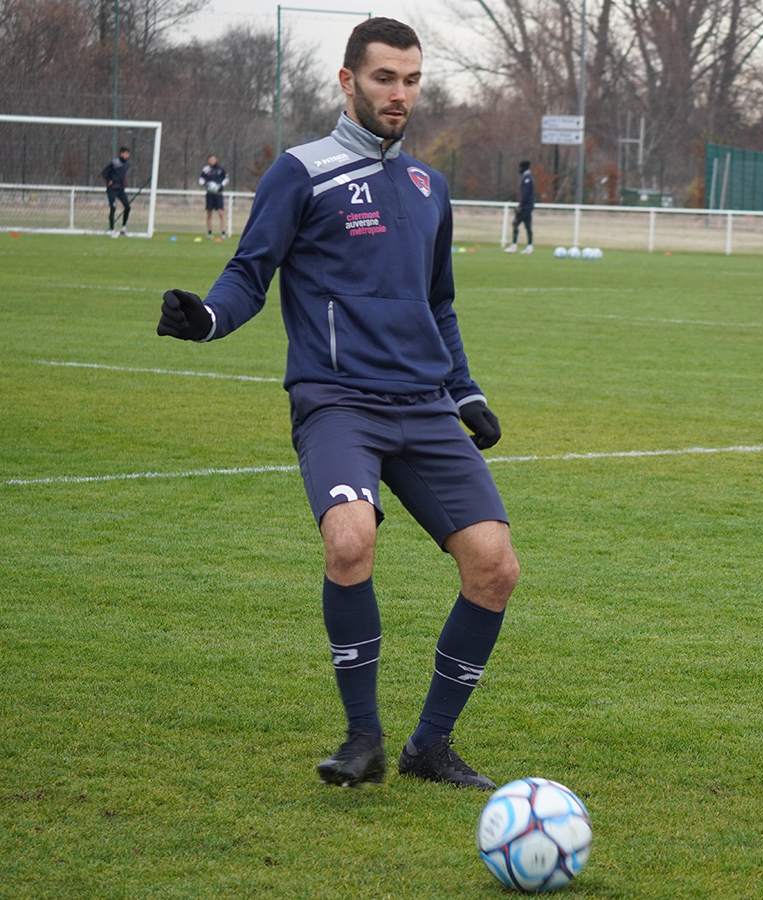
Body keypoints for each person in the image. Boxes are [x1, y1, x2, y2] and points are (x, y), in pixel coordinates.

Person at [155, 17, 518, 791]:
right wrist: (209, 319)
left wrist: (467, 391)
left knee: (495, 568)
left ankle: (429, 746)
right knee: (350, 540)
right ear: (348, 81)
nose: (401, 94)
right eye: (386, 78)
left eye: (413, 80)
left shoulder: (429, 187)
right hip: (338, 401)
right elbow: (250, 273)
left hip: (424, 404)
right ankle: (363, 739)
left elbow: (439, 304)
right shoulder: (301, 171)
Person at [504, 160, 535, 254]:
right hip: (528, 206)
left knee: (515, 223)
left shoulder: (527, 178)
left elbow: (525, 194)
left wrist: (520, 205)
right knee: (528, 226)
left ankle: (514, 245)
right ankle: (529, 246)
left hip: (525, 206)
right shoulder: (528, 177)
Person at [102, 146, 132, 237]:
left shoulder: (127, 164)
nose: (127, 156)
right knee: (113, 208)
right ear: (121, 154)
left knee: (127, 207)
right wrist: (109, 180)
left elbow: (121, 174)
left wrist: (123, 181)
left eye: (128, 154)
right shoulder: (114, 162)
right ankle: (112, 230)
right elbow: (104, 172)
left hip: (120, 189)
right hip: (112, 189)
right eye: (126, 154)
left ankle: (123, 228)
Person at [199, 154, 229, 241]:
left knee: (221, 213)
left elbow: (226, 179)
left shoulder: (221, 169)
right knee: (209, 213)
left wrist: (220, 185)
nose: (212, 161)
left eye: (213, 159)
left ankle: (223, 233)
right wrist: (205, 184)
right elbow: (201, 180)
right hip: (210, 194)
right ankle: (209, 233)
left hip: (218, 194)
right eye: (210, 160)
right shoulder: (206, 169)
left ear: (216, 160)